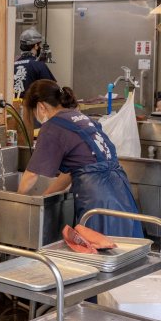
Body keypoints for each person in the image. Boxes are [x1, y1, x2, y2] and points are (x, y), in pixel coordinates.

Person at [17, 80, 143, 238]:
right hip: (120, 189)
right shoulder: (80, 118)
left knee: (99, 252)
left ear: (41, 107)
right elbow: (73, 171)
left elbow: (31, 175)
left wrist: (18, 202)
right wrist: (44, 196)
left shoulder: (52, 127)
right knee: (123, 249)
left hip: (96, 196)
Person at [13, 27, 56, 98]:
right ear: (36, 46)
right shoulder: (38, 65)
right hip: (32, 107)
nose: (40, 48)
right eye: (39, 45)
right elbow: (52, 89)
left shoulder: (13, 65)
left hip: (13, 107)